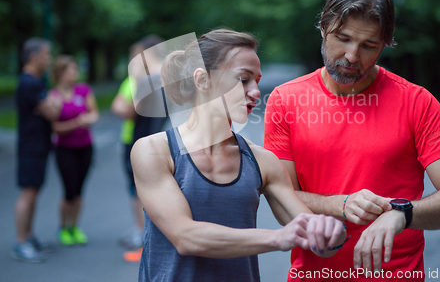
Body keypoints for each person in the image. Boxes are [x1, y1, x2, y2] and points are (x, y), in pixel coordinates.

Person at [264, 0, 440, 281]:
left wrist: (401, 214)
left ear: (385, 44)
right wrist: (340, 204)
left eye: (368, 45)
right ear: (323, 27)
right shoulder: (286, 100)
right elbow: (280, 195)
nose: (352, 55)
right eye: (343, 38)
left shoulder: (416, 101)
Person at [131, 29, 347, 282]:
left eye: (257, 80)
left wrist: (332, 231)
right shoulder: (154, 151)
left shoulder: (262, 161)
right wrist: (279, 237)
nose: (256, 91)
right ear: (202, 80)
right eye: (243, 80)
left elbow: (316, 237)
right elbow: (186, 237)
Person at [111, 35, 168, 262]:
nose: (132, 61)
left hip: (146, 143)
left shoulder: (148, 81)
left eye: (136, 56)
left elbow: (128, 110)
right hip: (148, 140)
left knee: (145, 192)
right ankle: (147, 238)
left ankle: (149, 244)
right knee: (143, 191)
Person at [11, 37, 60, 262]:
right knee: (28, 193)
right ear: (34, 57)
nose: (49, 60)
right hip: (30, 146)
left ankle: (29, 237)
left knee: (34, 192)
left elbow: (52, 107)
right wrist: (51, 105)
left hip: (38, 145)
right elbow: (53, 112)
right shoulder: (29, 83)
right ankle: (22, 242)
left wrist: (51, 104)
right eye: (46, 55)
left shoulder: (36, 82)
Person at [48, 55, 99, 246]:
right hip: (64, 149)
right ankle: (63, 227)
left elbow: (94, 113)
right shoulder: (53, 96)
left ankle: (74, 227)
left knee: (78, 190)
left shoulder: (83, 90)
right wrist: (76, 123)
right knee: (68, 190)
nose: (75, 74)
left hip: (85, 146)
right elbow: (54, 128)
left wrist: (89, 120)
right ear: (60, 73)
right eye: (71, 70)